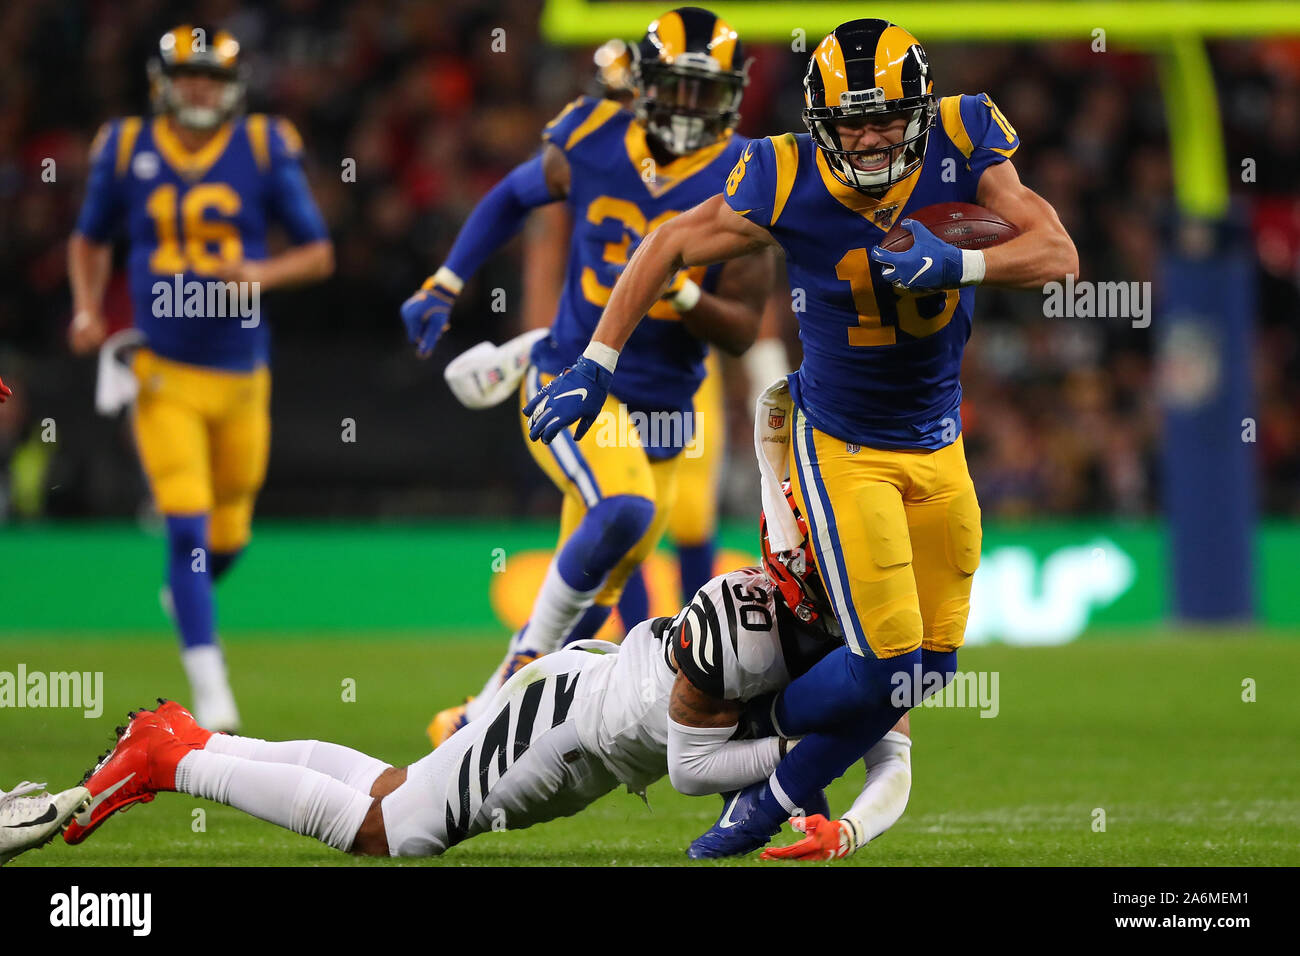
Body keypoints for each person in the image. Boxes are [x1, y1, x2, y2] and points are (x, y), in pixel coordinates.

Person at [524, 18, 1078, 856]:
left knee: (934, 670)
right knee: (888, 667)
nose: (870, 135)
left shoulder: (965, 133)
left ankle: (763, 776)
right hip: (841, 443)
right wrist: (598, 362)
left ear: (921, 108)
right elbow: (668, 240)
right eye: (852, 120)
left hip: (937, 442)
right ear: (821, 122)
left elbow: (1058, 254)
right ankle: (751, 748)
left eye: (888, 115)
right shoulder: (783, 171)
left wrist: (957, 263)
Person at [51, 500, 910, 861]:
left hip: (595, 719)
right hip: (573, 725)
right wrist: (795, 754)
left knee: (395, 789)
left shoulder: (869, 633)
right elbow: (690, 771)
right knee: (395, 832)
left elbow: (892, 760)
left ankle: (192, 741)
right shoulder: (748, 622)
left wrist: (850, 835)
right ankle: (172, 757)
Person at [402, 8, 773, 745]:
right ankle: (519, 666)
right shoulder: (595, 137)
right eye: (679, 89)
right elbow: (513, 194)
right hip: (575, 384)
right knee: (627, 509)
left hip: (666, 407)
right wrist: (447, 278)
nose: (692, 110)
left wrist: (688, 294)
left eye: (709, 93)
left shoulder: (750, 174)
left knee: (594, 590)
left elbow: (740, 329)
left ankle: (478, 718)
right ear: (646, 85)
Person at [67, 25, 334, 730]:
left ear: (232, 87)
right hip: (162, 372)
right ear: (162, 80)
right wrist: (88, 306)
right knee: (185, 525)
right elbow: (89, 236)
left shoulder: (261, 146)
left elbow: (317, 253)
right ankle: (211, 689)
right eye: (188, 74)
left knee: (230, 534)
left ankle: (187, 594)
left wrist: (259, 273)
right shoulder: (126, 147)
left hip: (243, 372)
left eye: (210, 77)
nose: (198, 88)